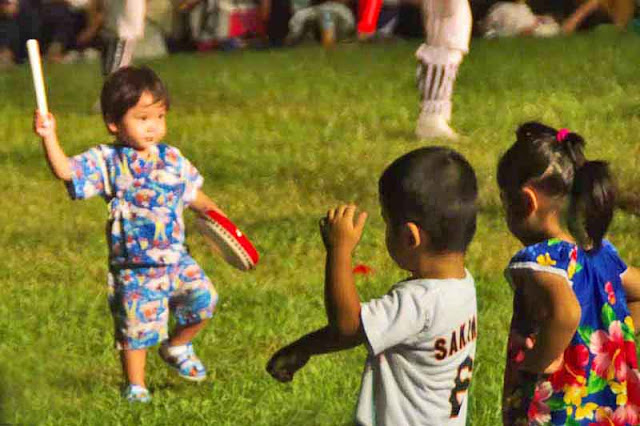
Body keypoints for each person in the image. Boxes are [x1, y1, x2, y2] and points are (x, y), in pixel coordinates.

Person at [33, 66, 223, 403]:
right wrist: (49, 136)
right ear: (114, 123)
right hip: (135, 267)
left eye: (160, 116)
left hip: (177, 259)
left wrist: (218, 217)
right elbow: (66, 172)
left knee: (204, 300)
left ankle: (177, 345)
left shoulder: (172, 158)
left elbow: (193, 194)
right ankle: (136, 386)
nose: (154, 126)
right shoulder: (108, 160)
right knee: (135, 333)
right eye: (143, 117)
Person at [267, 146, 479, 425]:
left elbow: (348, 327)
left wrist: (339, 250)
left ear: (409, 237)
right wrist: (304, 348)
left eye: (387, 223)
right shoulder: (464, 286)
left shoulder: (417, 302)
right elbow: (361, 332)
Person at [497, 122, 640, 425]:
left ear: (525, 202)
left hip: (560, 412)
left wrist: (537, 364)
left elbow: (566, 313)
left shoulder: (538, 261)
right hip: (611, 409)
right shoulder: (601, 254)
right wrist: (620, 327)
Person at [414, 0, 471, 140]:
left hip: (449, 25)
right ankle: (431, 118)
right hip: (445, 25)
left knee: (448, 58)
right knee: (441, 57)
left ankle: (437, 116)